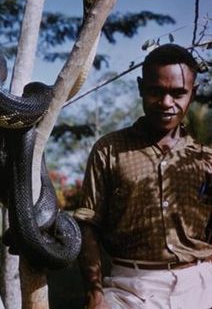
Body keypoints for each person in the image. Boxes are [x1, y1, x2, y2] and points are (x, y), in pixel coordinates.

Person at [73, 44, 212, 309]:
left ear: (192, 93)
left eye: (178, 93)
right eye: (156, 91)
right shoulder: (110, 149)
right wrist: (94, 293)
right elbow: (87, 223)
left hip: (201, 286)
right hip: (132, 288)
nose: (166, 103)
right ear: (140, 87)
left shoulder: (206, 158)